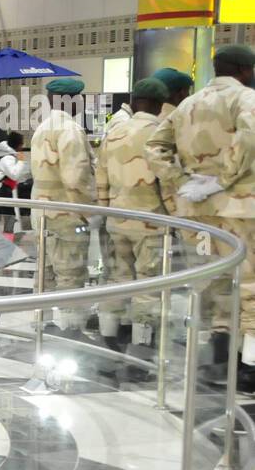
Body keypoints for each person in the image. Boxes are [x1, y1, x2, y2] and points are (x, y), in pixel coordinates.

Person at [146, 44, 255, 390]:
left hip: (196, 210)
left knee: (211, 282)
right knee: (251, 285)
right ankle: (249, 364)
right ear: (245, 70)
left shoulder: (188, 105)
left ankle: (217, 353)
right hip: (240, 207)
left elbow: (154, 146)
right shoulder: (244, 99)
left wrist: (183, 181)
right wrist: (222, 179)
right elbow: (251, 135)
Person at [95, 78, 170, 368]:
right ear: (160, 103)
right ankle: (141, 349)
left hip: (116, 219)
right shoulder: (159, 131)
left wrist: (105, 211)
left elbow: (100, 174)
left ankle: (109, 339)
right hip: (150, 220)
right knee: (148, 286)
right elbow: (169, 179)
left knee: (116, 280)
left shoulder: (115, 130)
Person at [31, 77, 98, 337]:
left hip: (42, 214)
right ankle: (72, 330)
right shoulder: (70, 130)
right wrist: (90, 212)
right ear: (72, 100)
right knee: (71, 274)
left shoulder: (43, 128)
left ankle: (42, 326)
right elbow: (75, 179)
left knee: (45, 273)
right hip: (66, 214)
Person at [0, 131, 32, 233]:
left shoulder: (9, 156)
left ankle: (4, 239)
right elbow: (14, 174)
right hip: (1, 191)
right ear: (18, 145)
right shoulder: (7, 158)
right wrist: (21, 160)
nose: (22, 146)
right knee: (10, 218)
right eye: (22, 144)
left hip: (2, 190)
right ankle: (8, 241)